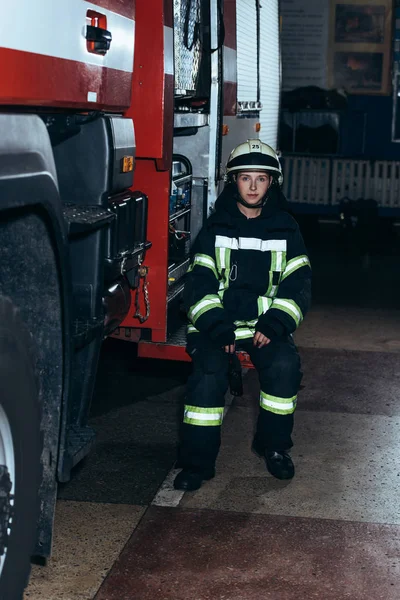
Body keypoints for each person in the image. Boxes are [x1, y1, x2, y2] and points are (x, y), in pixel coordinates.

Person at [174, 140, 312, 491]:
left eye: (261, 179)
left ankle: (274, 447)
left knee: (284, 370)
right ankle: (197, 464)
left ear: (272, 183)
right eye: (245, 178)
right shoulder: (216, 227)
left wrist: (276, 324)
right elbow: (199, 285)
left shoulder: (286, 228)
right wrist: (218, 328)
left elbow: (299, 285)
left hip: (265, 328)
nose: (253, 186)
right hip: (216, 327)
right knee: (207, 379)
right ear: (232, 181)